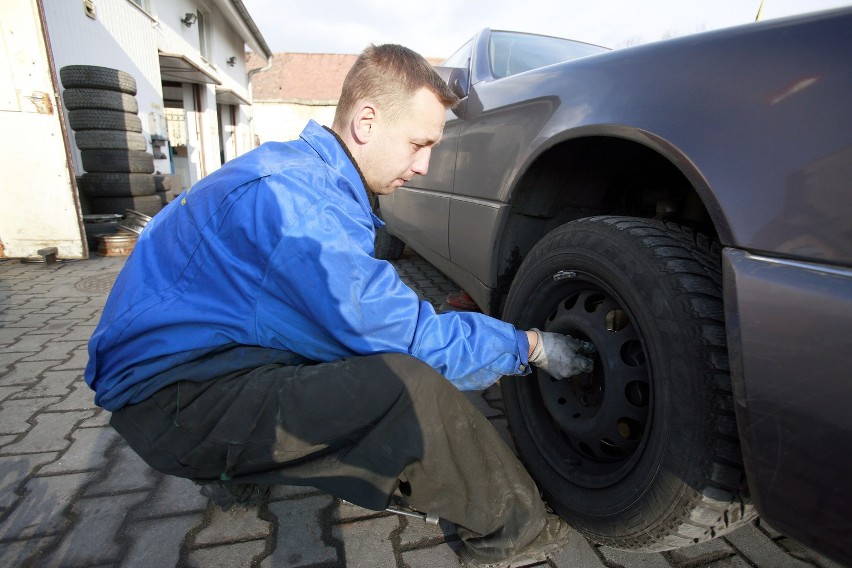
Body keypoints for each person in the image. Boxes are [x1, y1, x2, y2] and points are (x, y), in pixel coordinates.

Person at [84, 44, 596, 567]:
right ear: (366, 121)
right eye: (418, 144)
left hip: (177, 376)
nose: (423, 167)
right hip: (172, 402)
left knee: (334, 351)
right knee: (407, 385)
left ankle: (232, 471)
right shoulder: (302, 209)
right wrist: (528, 346)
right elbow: (411, 341)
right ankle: (516, 533)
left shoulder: (298, 171)